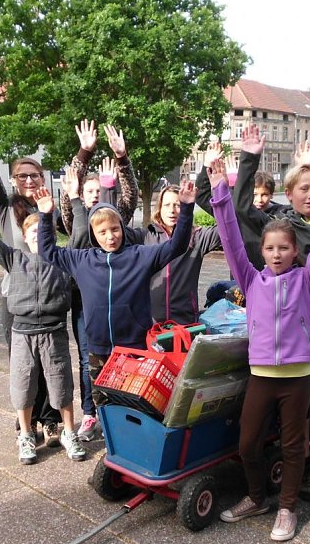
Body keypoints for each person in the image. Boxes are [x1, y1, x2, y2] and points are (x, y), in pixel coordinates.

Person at [212, 155, 310, 542]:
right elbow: (232, 239)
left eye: (285, 247)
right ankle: (256, 498)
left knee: (293, 447)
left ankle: (286, 508)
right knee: (248, 444)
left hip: (298, 379)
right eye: (270, 248)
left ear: (295, 252)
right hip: (262, 378)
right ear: (263, 252)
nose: (278, 254)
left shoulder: (307, 278)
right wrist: (220, 191)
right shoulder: (251, 280)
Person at [35, 178, 196, 416]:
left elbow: (177, 246)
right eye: (102, 232)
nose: (110, 236)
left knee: (133, 403)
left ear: (122, 228)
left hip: (133, 348)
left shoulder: (140, 256)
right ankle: (109, 439)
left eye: (115, 229)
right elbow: (47, 250)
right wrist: (46, 215)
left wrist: (187, 208)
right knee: (104, 405)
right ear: (93, 234)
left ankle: (131, 445)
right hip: (98, 348)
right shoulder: (82, 260)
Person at [0, 170, 86, 465]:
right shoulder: (14, 259)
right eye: (31, 232)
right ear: (24, 238)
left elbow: (82, 233)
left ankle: (69, 432)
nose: (37, 236)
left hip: (54, 332)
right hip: (23, 333)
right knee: (22, 386)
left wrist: (74, 198)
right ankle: (25, 435)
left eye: (42, 231)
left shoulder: (63, 260)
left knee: (61, 385)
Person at [0, 100, 63, 446]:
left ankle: (51, 418)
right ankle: (27, 422)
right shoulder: (5, 207)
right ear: (13, 180)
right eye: (22, 176)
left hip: (49, 297)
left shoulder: (47, 207)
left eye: (35, 175)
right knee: (23, 363)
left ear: (42, 178)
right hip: (16, 296)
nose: (28, 180)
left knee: (52, 360)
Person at [59, 120, 139, 442]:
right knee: (87, 356)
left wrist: (122, 159)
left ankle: (120, 409)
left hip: (119, 300)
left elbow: (129, 195)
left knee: (122, 355)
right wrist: (84, 153)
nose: (93, 197)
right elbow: (69, 200)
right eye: (87, 193)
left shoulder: (113, 219)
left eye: (97, 191)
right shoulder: (77, 219)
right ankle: (91, 412)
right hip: (86, 303)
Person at [124, 182, 222, 325]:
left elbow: (227, 227)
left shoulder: (197, 237)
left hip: (185, 322)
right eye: (167, 205)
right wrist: (107, 190)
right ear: (159, 208)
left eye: (178, 205)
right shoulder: (143, 237)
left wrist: (224, 190)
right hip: (150, 323)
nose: (172, 210)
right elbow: (110, 224)